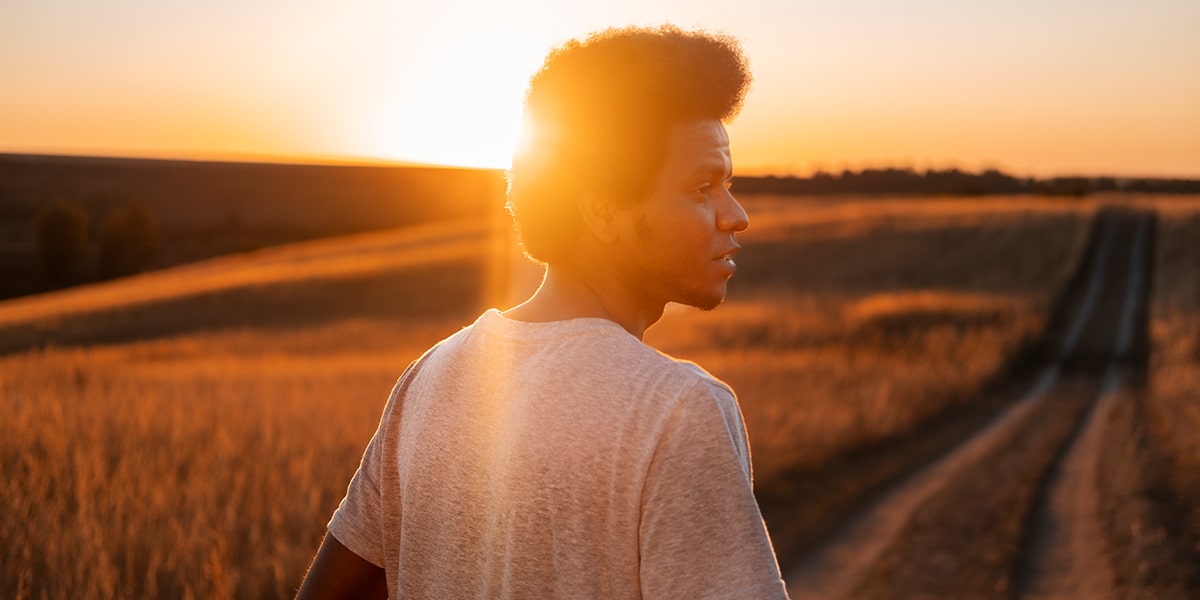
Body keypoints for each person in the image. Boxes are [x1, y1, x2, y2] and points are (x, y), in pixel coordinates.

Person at [296, 25, 788, 599]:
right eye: (702, 187)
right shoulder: (678, 408)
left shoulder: (431, 377)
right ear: (603, 212)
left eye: (729, 184)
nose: (736, 215)